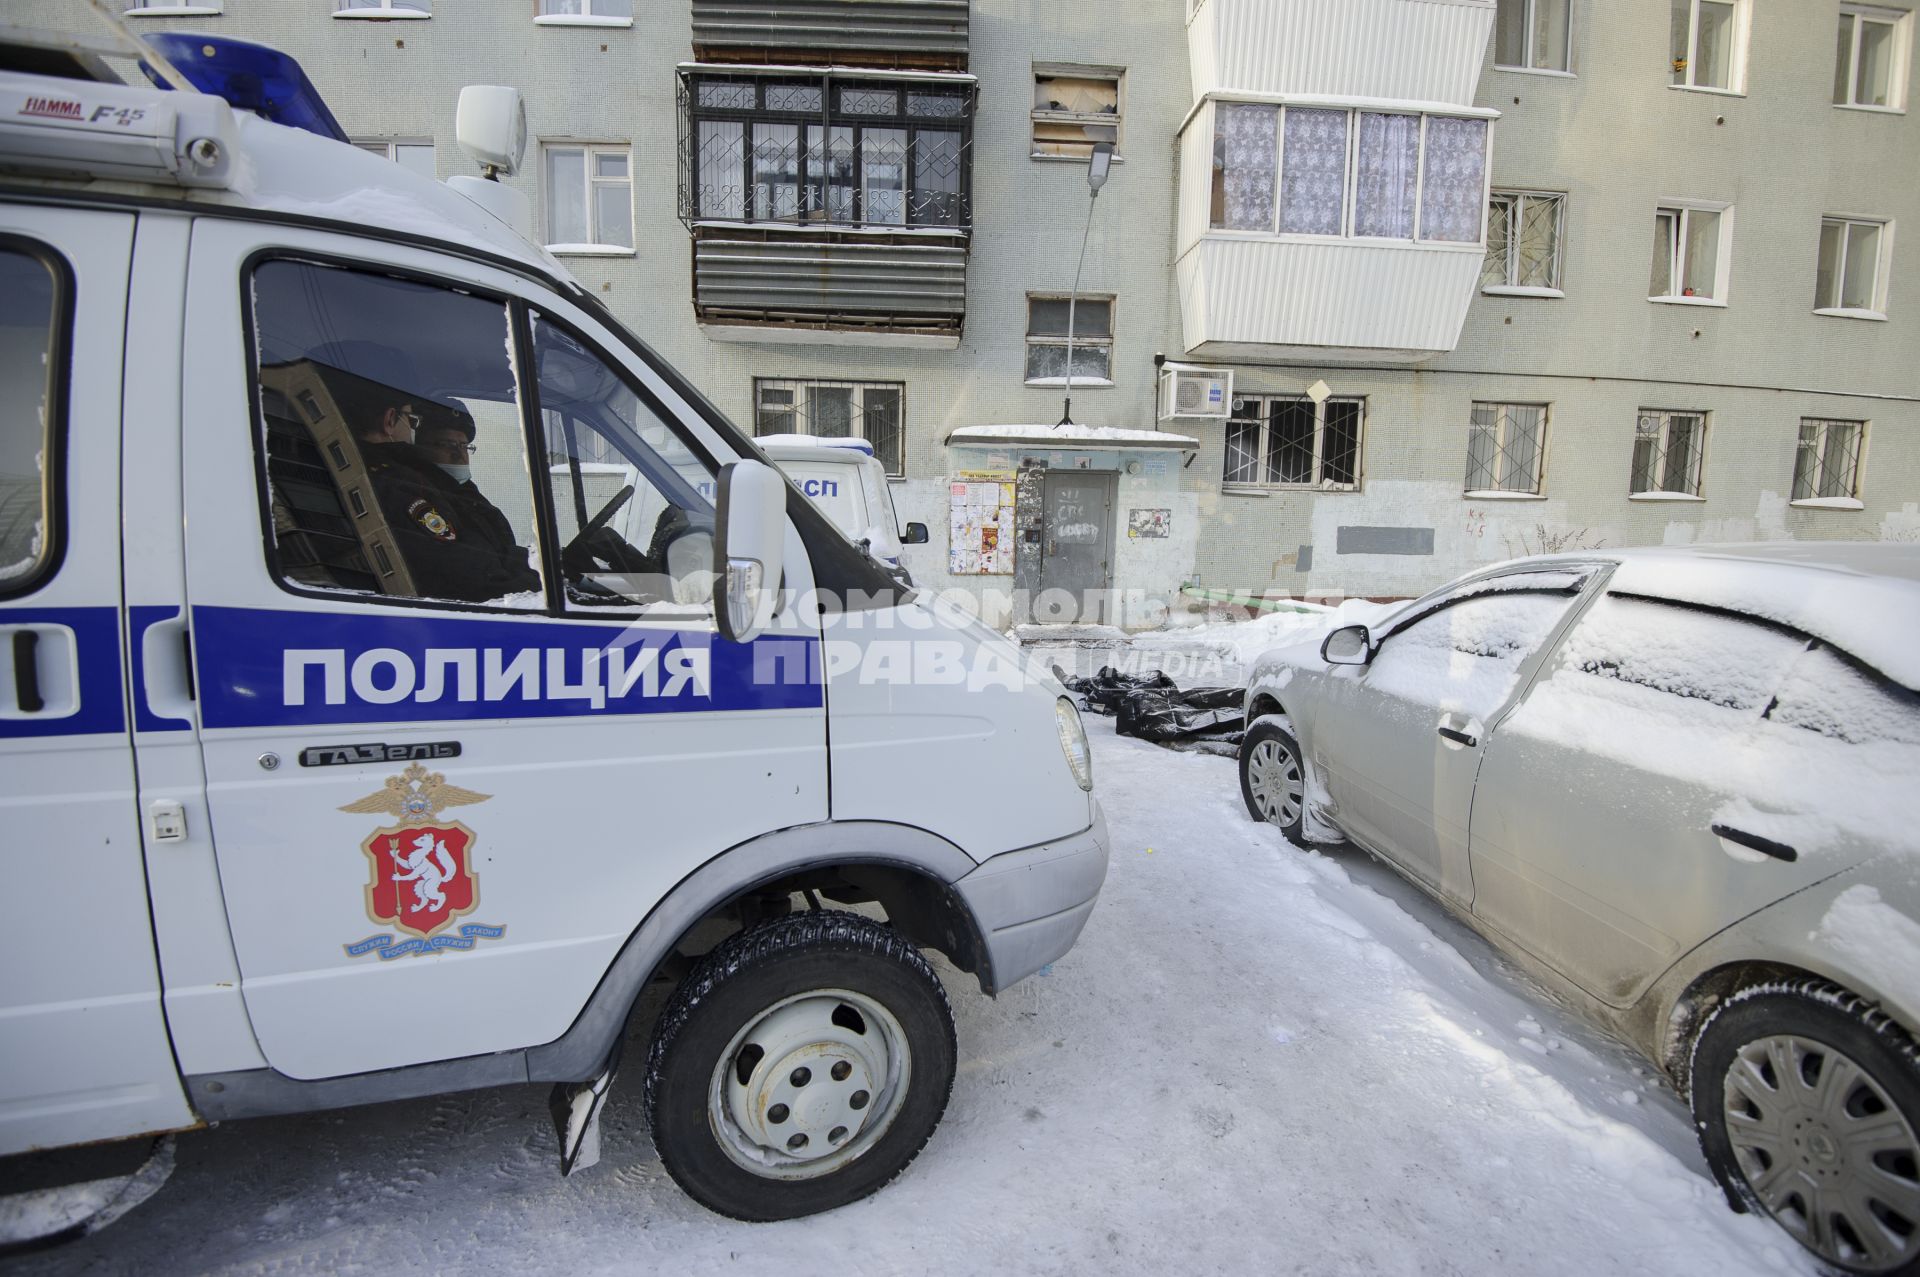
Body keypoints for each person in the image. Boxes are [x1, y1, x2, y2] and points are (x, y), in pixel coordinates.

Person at [347, 383, 542, 603]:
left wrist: (538, 563)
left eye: (465, 446)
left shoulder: (459, 493)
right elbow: (471, 576)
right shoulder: (404, 486)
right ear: (390, 420)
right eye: (446, 444)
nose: (459, 455)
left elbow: (490, 554)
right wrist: (542, 582)